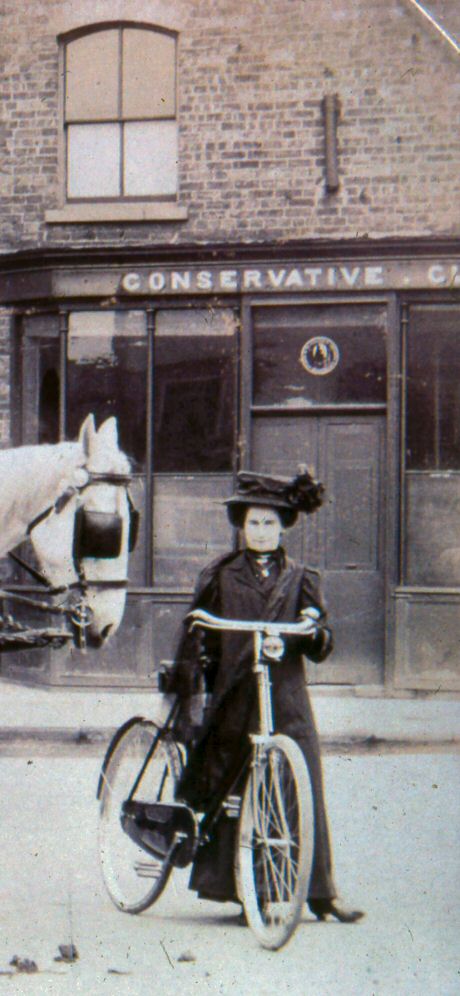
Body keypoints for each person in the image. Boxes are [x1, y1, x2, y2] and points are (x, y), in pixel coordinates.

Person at [170, 469, 363, 924]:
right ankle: (246, 893)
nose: (260, 531)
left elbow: (322, 642)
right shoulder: (220, 576)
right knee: (238, 792)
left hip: (287, 698)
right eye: (253, 523)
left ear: (283, 528)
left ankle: (320, 893)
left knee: (301, 787)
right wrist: (198, 687)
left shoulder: (301, 578)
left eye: (269, 523)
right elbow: (198, 634)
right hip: (236, 697)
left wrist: (304, 635)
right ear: (241, 526)